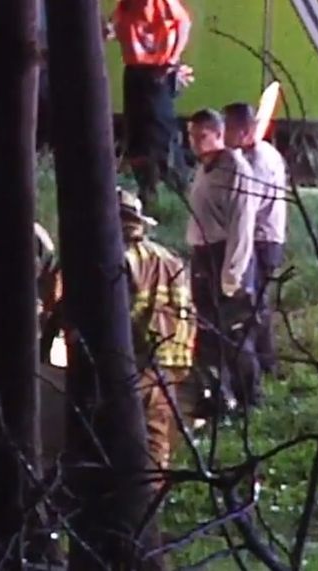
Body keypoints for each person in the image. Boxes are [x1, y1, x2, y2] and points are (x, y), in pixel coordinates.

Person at [185, 108, 262, 411]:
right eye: (191, 136)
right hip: (204, 257)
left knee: (234, 335)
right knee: (208, 334)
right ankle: (218, 397)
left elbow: (242, 225)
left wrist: (232, 274)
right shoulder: (205, 168)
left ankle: (249, 400)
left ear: (218, 135)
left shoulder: (235, 169)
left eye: (201, 136)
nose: (194, 142)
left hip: (225, 257)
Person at [119, 189, 196, 487]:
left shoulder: (124, 259)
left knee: (127, 432)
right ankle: (152, 497)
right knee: (157, 432)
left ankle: (137, 498)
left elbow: (118, 314)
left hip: (141, 357)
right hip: (175, 356)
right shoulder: (170, 258)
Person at [223, 102, 289, 377]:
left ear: (242, 130)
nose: (223, 134)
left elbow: (250, 206)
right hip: (264, 237)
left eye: (226, 127)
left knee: (255, 305)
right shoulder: (261, 153)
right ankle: (263, 364)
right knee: (256, 304)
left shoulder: (258, 160)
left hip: (262, 240)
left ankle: (265, 366)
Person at [107, 0, 193, 207]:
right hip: (135, 70)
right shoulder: (127, 4)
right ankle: (146, 189)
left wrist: (172, 60)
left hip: (157, 71)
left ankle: (177, 187)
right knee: (137, 132)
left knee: (159, 133)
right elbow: (116, 27)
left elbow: (183, 23)